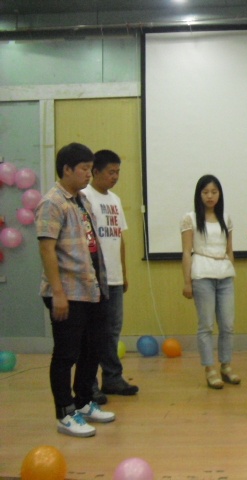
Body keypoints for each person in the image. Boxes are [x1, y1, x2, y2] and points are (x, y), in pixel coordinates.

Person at [35, 142, 116, 437]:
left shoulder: (82, 200)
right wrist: (57, 293)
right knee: (66, 354)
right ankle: (65, 413)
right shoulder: (52, 202)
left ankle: (83, 402)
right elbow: (47, 249)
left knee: (92, 349)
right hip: (67, 292)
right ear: (66, 169)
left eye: (90, 168)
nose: (88, 174)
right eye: (83, 169)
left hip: (90, 288)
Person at [82, 149, 138, 404]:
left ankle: (113, 378)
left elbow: (119, 238)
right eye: (110, 172)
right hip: (95, 277)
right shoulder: (85, 197)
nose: (115, 177)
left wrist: (123, 272)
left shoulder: (115, 199)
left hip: (114, 277)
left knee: (113, 330)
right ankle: (89, 384)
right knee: (93, 332)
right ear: (95, 171)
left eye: (118, 172)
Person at [181, 174, 240, 389]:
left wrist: (230, 268)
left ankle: (226, 366)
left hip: (224, 275)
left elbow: (229, 249)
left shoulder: (225, 217)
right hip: (202, 275)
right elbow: (186, 252)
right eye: (205, 192)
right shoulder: (190, 218)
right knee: (206, 325)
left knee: (228, 324)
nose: (210, 196)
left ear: (219, 194)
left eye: (214, 192)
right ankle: (209, 369)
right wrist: (187, 282)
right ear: (199, 194)